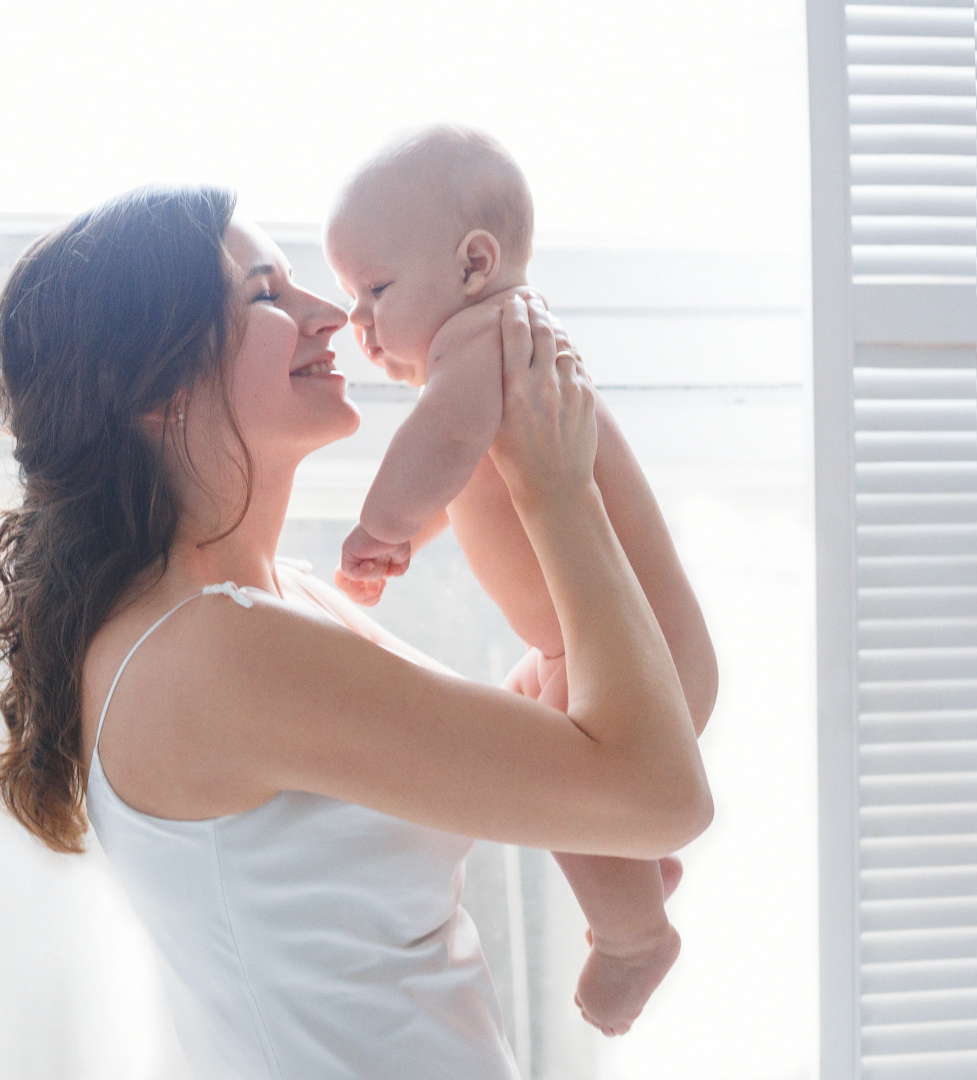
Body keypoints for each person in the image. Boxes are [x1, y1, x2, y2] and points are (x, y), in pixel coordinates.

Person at [0, 185, 712, 1079]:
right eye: (266, 295)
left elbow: (547, 756)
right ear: (155, 386)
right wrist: (554, 487)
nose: (328, 315)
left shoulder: (271, 604)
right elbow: (662, 796)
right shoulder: (219, 654)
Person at [325, 124, 719, 1034]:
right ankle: (628, 863)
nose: (359, 324)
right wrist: (411, 537)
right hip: (596, 646)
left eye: (375, 290)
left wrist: (380, 525)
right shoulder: (504, 350)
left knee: (556, 777)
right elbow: (461, 476)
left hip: (633, 654)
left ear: (473, 261)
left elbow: (439, 447)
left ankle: (633, 937)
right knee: (530, 759)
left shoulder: (486, 336)